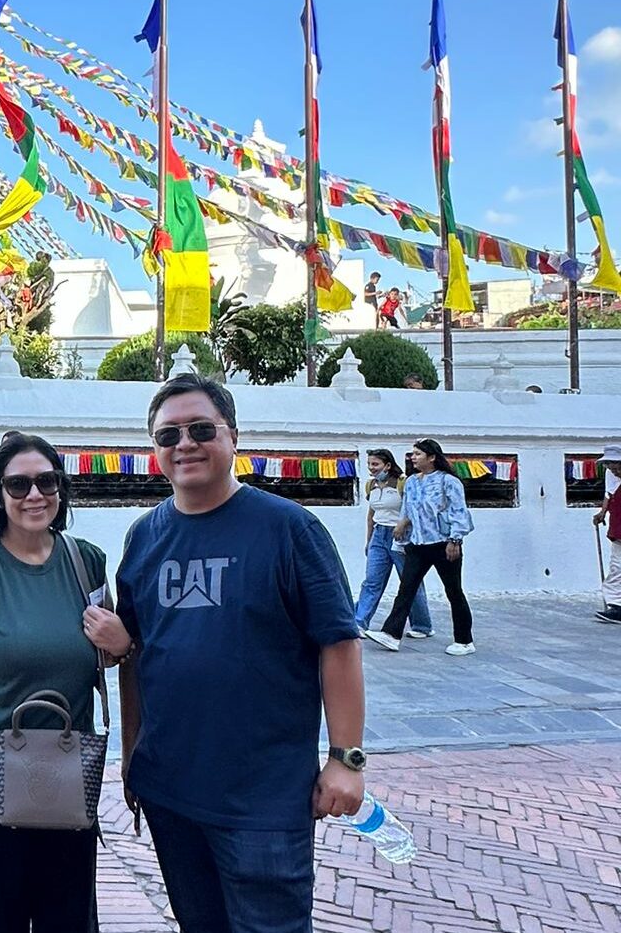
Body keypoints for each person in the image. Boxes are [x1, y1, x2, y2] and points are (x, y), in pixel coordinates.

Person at [115, 376, 365, 933]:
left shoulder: (289, 529)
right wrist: (132, 756)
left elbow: (339, 642)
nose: (185, 444)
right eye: (168, 435)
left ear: (234, 436)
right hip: (170, 790)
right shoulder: (143, 537)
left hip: (263, 800)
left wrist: (345, 757)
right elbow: (137, 656)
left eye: (202, 429)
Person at [0, 431, 130, 932]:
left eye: (46, 481)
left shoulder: (87, 562)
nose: (34, 495)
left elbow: (105, 655)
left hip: (66, 762)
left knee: (68, 912)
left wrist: (122, 642)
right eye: (18, 485)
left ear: (61, 489)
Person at [365, 437, 475, 655]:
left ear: (432, 457)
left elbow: (459, 512)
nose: (413, 457)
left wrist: (455, 540)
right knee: (406, 589)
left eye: (418, 454)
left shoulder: (448, 481)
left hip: (444, 544)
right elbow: (407, 509)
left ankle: (464, 640)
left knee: (453, 591)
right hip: (417, 543)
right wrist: (402, 526)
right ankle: (391, 634)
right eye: (412, 454)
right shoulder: (413, 481)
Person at [352, 449, 432, 638]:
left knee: (410, 581)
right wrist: (369, 539)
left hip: (401, 535)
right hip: (379, 535)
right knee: (372, 581)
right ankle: (359, 621)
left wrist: (402, 526)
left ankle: (422, 625)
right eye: (370, 464)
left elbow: (414, 509)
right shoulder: (371, 485)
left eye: (376, 464)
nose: (372, 468)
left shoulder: (403, 484)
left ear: (387, 465)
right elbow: (371, 514)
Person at [595, 444, 621, 624]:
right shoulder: (611, 475)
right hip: (618, 527)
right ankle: (617, 606)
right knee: (617, 568)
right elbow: (609, 493)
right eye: (609, 466)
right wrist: (602, 512)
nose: (613, 470)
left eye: (616, 465)